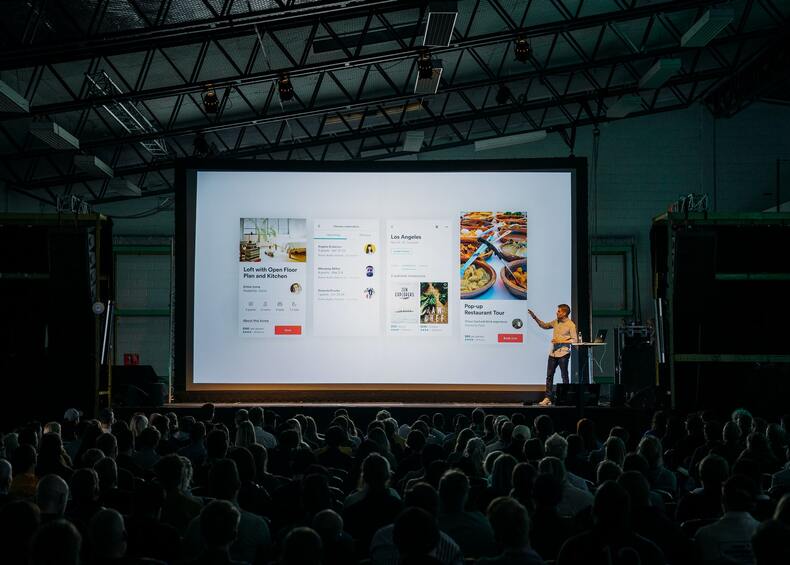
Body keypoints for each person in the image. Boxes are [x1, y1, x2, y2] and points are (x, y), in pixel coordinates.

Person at [528, 304, 577, 406]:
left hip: (563, 353)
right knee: (549, 376)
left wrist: (560, 340)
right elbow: (544, 325)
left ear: (564, 313)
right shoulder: (556, 322)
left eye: (559, 311)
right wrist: (534, 317)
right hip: (553, 354)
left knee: (565, 376)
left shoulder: (571, 325)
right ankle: (547, 398)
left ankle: (565, 398)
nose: (557, 312)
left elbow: (574, 340)